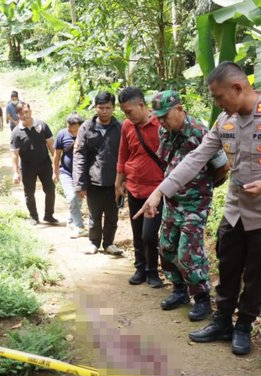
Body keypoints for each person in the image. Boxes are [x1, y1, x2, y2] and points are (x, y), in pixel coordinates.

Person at [136, 62, 261, 355]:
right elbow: (195, 159)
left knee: (257, 276)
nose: (217, 103)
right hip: (234, 212)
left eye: (219, 97)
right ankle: (222, 322)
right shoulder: (225, 122)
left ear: (237, 88)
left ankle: (244, 326)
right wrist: (159, 192)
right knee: (228, 268)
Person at [151, 90, 228, 321]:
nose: (162, 121)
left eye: (166, 115)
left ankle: (202, 297)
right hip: (172, 200)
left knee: (188, 252)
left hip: (195, 203)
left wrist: (203, 188)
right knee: (166, 246)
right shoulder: (164, 130)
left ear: (179, 108)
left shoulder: (200, 132)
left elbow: (222, 167)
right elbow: (166, 160)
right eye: (159, 117)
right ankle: (179, 290)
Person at [116, 87, 164, 288]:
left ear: (142, 105)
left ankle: (153, 271)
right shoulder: (128, 125)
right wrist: (118, 181)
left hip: (156, 190)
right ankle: (140, 268)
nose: (127, 116)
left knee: (149, 234)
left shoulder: (161, 124)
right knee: (137, 231)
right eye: (124, 112)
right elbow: (123, 154)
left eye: (129, 111)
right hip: (133, 187)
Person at [73, 92, 123, 255]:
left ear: (114, 108)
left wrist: (125, 181)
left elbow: (127, 155)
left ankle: (109, 243)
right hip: (93, 180)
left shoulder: (120, 128)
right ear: (95, 107)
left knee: (112, 214)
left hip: (115, 181)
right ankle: (93, 242)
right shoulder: (86, 128)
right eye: (101, 107)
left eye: (108, 108)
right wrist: (80, 183)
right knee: (94, 214)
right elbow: (79, 155)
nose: (104, 111)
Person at [11, 102, 58, 225]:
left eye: (26, 112)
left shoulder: (42, 126)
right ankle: (33, 216)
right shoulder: (16, 132)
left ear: (30, 111)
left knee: (50, 190)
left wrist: (56, 165)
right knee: (29, 192)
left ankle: (49, 215)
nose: (25, 115)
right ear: (18, 114)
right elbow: (14, 154)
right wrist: (15, 173)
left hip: (45, 164)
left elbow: (51, 146)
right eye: (21, 113)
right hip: (27, 167)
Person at [53, 112, 86, 238]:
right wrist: (55, 171)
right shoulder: (62, 134)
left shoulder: (87, 134)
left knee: (78, 198)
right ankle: (79, 226)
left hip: (82, 174)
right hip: (66, 172)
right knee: (72, 197)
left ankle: (71, 220)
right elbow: (57, 155)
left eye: (75, 131)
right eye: (69, 130)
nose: (72, 133)